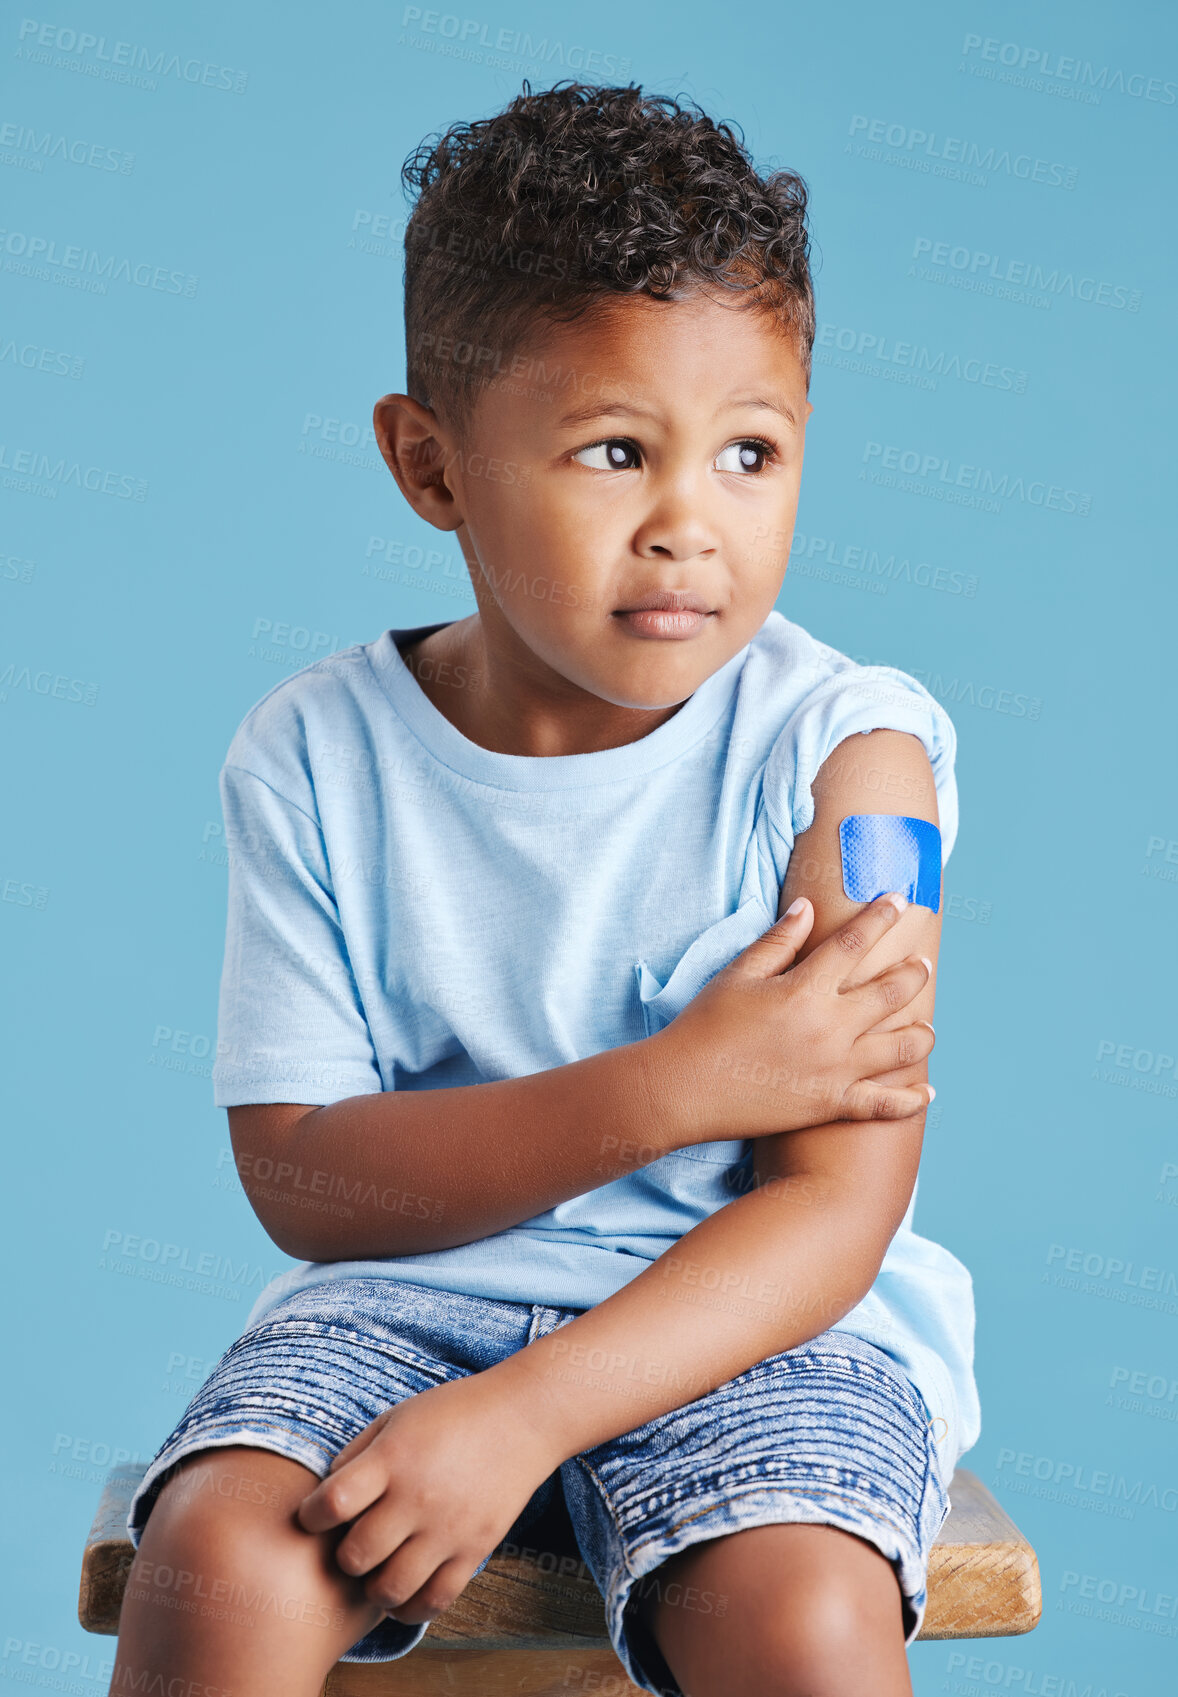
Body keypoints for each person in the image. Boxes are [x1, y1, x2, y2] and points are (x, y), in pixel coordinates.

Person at [113, 80, 979, 1697]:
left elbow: (833, 1206)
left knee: (798, 1615)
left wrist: (521, 1415)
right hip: (403, 1305)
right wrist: (676, 1084)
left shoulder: (856, 764)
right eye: (611, 450)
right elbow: (306, 1178)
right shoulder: (311, 754)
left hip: (751, 1325)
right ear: (429, 465)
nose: (686, 526)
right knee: (219, 1568)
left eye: (747, 452)